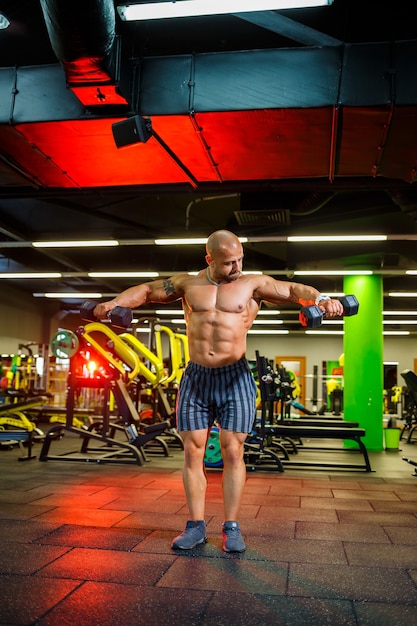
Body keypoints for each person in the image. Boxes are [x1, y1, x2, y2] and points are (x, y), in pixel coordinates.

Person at [93, 230, 344, 552]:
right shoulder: (187, 284)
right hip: (196, 378)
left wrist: (322, 299)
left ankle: (232, 527)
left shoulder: (253, 284)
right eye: (228, 263)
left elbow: (295, 290)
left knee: (232, 450)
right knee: (193, 451)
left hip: (235, 377)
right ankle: (196, 526)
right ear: (209, 259)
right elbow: (145, 291)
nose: (236, 267)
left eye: (240, 259)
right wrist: (114, 303)